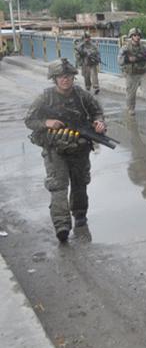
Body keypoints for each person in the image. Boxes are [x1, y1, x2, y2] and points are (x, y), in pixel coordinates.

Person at [24, 58, 107, 243]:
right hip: (55, 150)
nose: (65, 80)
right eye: (61, 77)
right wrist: (47, 122)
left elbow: (97, 111)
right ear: (54, 79)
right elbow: (29, 120)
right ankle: (61, 225)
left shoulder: (81, 95)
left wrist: (99, 122)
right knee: (58, 187)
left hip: (79, 147)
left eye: (68, 76)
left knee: (80, 183)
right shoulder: (45, 97)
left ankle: (80, 216)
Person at [117, 27, 146, 117]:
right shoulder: (125, 48)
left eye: (138, 35)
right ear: (131, 37)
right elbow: (119, 61)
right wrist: (129, 59)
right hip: (131, 74)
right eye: (135, 35)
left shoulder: (144, 49)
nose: (137, 37)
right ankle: (131, 109)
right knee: (131, 94)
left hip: (143, 72)